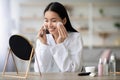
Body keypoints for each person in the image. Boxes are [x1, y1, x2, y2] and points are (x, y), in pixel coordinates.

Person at [34, 2, 83, 72]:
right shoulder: (42, 40)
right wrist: (44, 45)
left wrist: (60, 44)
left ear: (64, 21)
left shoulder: (75, 37)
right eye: (46, 20)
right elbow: (39, 71)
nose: (49, 25)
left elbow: (73, 71)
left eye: (54, 21)